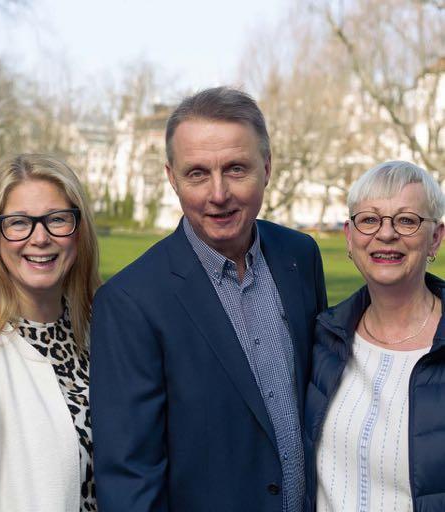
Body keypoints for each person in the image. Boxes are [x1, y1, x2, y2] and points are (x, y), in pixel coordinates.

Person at [90, 86, 327, 512]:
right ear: (171, 178)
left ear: (267, 168)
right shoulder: (129, 302)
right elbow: (130, 481)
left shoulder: (300, 257)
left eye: (236, 169)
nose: (218, 194)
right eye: (197, 173)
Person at [304, 161, 445, 511]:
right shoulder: (325, 337)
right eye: (369, 219)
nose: (386, 234)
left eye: (407, 220)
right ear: (350, 238)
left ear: (436, 238)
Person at [0, 154, 101, 511]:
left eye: (57, 219)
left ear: (78, 231)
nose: (40, 238)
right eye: (19, 223)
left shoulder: (104, 336)